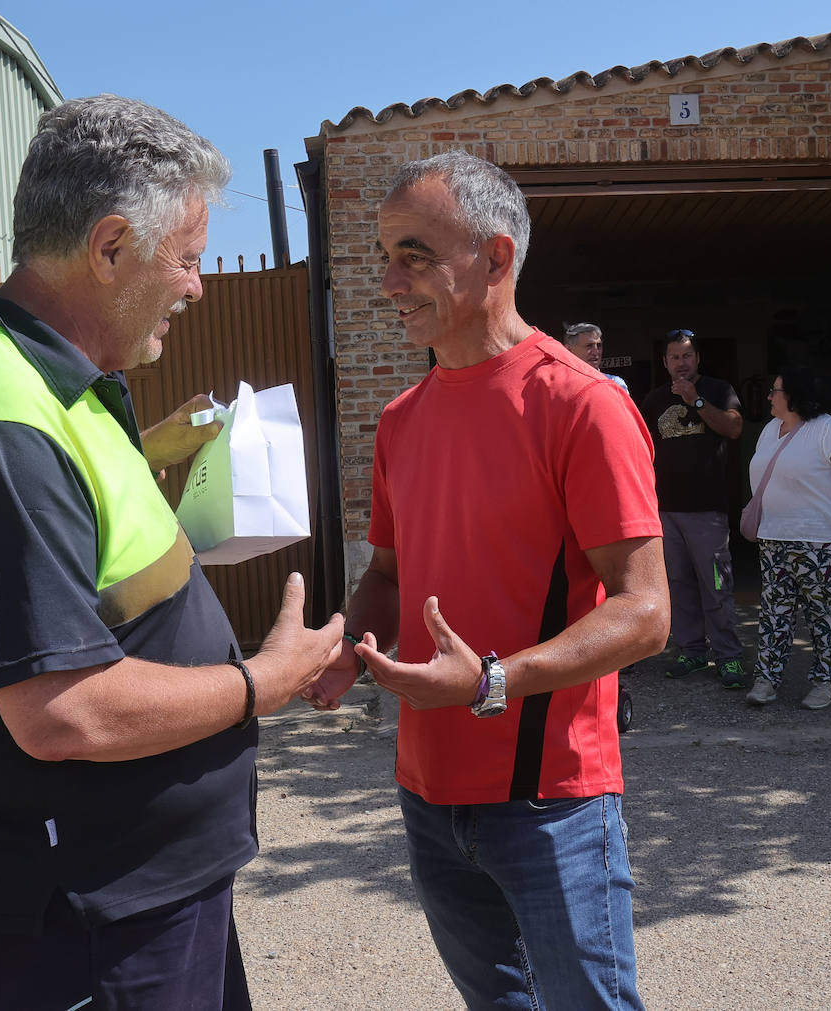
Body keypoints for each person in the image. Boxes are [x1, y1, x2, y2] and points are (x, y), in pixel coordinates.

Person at [0, 95, 343, 1010]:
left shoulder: (46, 376)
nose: (198, 285)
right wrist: (262, 681)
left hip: (134, 887)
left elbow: (86, 577)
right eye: (188, 258)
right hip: (87, 909)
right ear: (111, 246)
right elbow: (64, 709)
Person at [307, 151, 668, 1009]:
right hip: (427, 790)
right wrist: (344, 648)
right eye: (384, 255)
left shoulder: (582, 404)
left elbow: (646, 610)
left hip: (551, 800)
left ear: (497, 259)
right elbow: (388, 579)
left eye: (414, 255)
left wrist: (495, 681)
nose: (388, 281)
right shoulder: (402, 419)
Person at [745, 367, 831, 710]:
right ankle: (767, 680)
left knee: (824, 615)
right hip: (773, 537)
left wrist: (825, 502)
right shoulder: (771, 429)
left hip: (819, 541)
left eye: (775, 391)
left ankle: (826, 683)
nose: (769, 396)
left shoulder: (828, 429)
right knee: (774, 614)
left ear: (795, 396)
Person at [639, 330, 747, 687]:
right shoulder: (654, 400)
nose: (681, 363)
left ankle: (729, 657)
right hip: (666, 513)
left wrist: (696, 401)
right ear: (665, 363)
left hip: (707, 513)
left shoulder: (718, 389)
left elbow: (734, 428)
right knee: (679, 586)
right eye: (674, 357)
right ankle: (692, 652)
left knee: (716, 586)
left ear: (697, 358)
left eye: (686, 356)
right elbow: (640, 451)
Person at [562, 321, 630, 392]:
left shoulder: (615, 384)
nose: (596, 352)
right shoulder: (559, 386)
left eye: (599, 345)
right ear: (569, 350)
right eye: (589, 346)